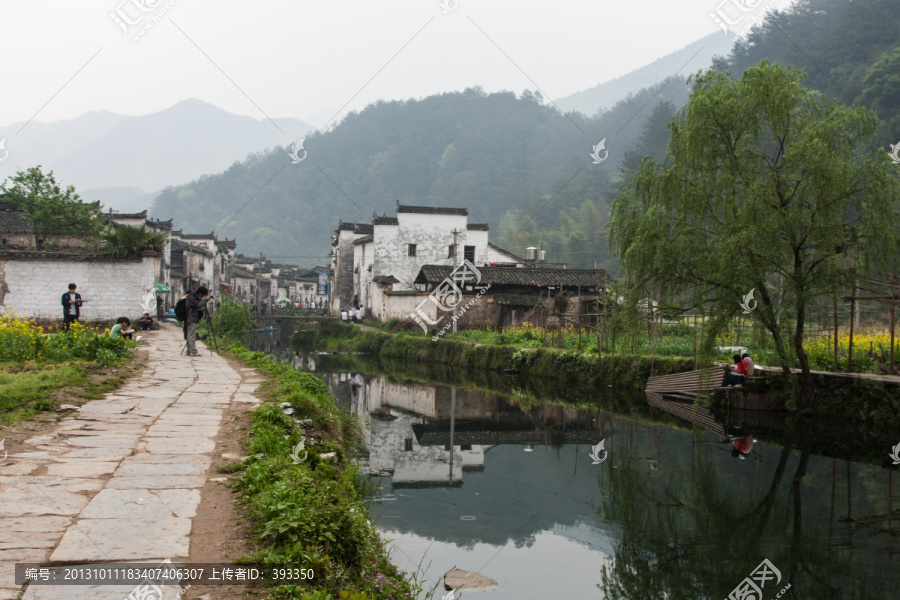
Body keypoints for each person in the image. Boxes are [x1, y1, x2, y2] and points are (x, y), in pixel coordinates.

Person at [185, 286, 212, 357]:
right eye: (203, 295)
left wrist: (204, 300)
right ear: (200, 293)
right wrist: (205, 300)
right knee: (192, 335)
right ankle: (192, 351)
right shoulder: (192, 297)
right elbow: (199, 305)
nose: (202, 297)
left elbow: (199, 304)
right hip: (190, 318)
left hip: (192, 317)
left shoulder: (195, 297)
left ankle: (189, 350)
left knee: (191, 334)